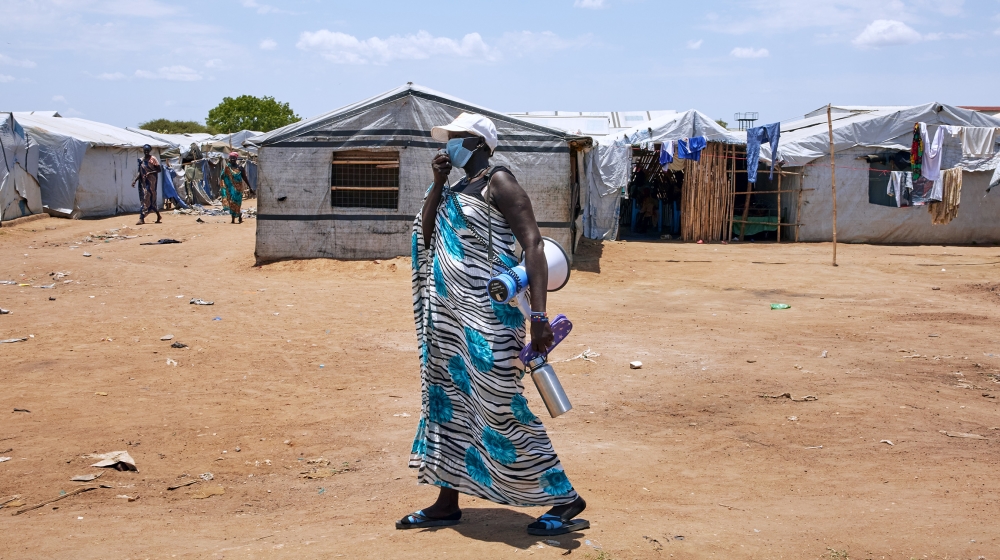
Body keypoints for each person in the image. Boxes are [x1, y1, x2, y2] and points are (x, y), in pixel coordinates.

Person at [399, 113, 588, 536]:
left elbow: (534, 245)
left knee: (501, 406)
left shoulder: (498, 181)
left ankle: (564, 497)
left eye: (456, 139)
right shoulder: (453, 188)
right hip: (448, 318)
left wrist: (538, 317)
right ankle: (447, 502)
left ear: (479, 143)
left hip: (489, 318)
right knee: (448, 405)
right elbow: (426, 236)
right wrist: (435, 184)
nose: (448, 145)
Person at [131, 144, 162, 225]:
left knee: (148, 197)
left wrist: (150, 173)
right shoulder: (141, 160)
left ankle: (141, 218)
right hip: (144, 183)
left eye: (148, 151)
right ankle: (157, 216)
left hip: (152, 182)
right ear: (143, 151)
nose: (146, 152)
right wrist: (135, 180)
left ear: (150, 151)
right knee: (146, 198)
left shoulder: (153, 159)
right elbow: (140, 172)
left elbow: (159, 169)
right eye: (145, 151)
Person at [219, 152, 248, 224]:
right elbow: (222, 177)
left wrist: (250, 187)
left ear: (236, 159)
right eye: (231, 158)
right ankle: (233, 219)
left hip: (238, 190)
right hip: (230, 189)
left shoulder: (240, 168)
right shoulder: (227, 168)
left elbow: (245, 178)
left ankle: (239, 215)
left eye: (233, 158)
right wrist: (224, 185)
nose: (232, 159)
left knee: (237, 203)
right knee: (231, 202)